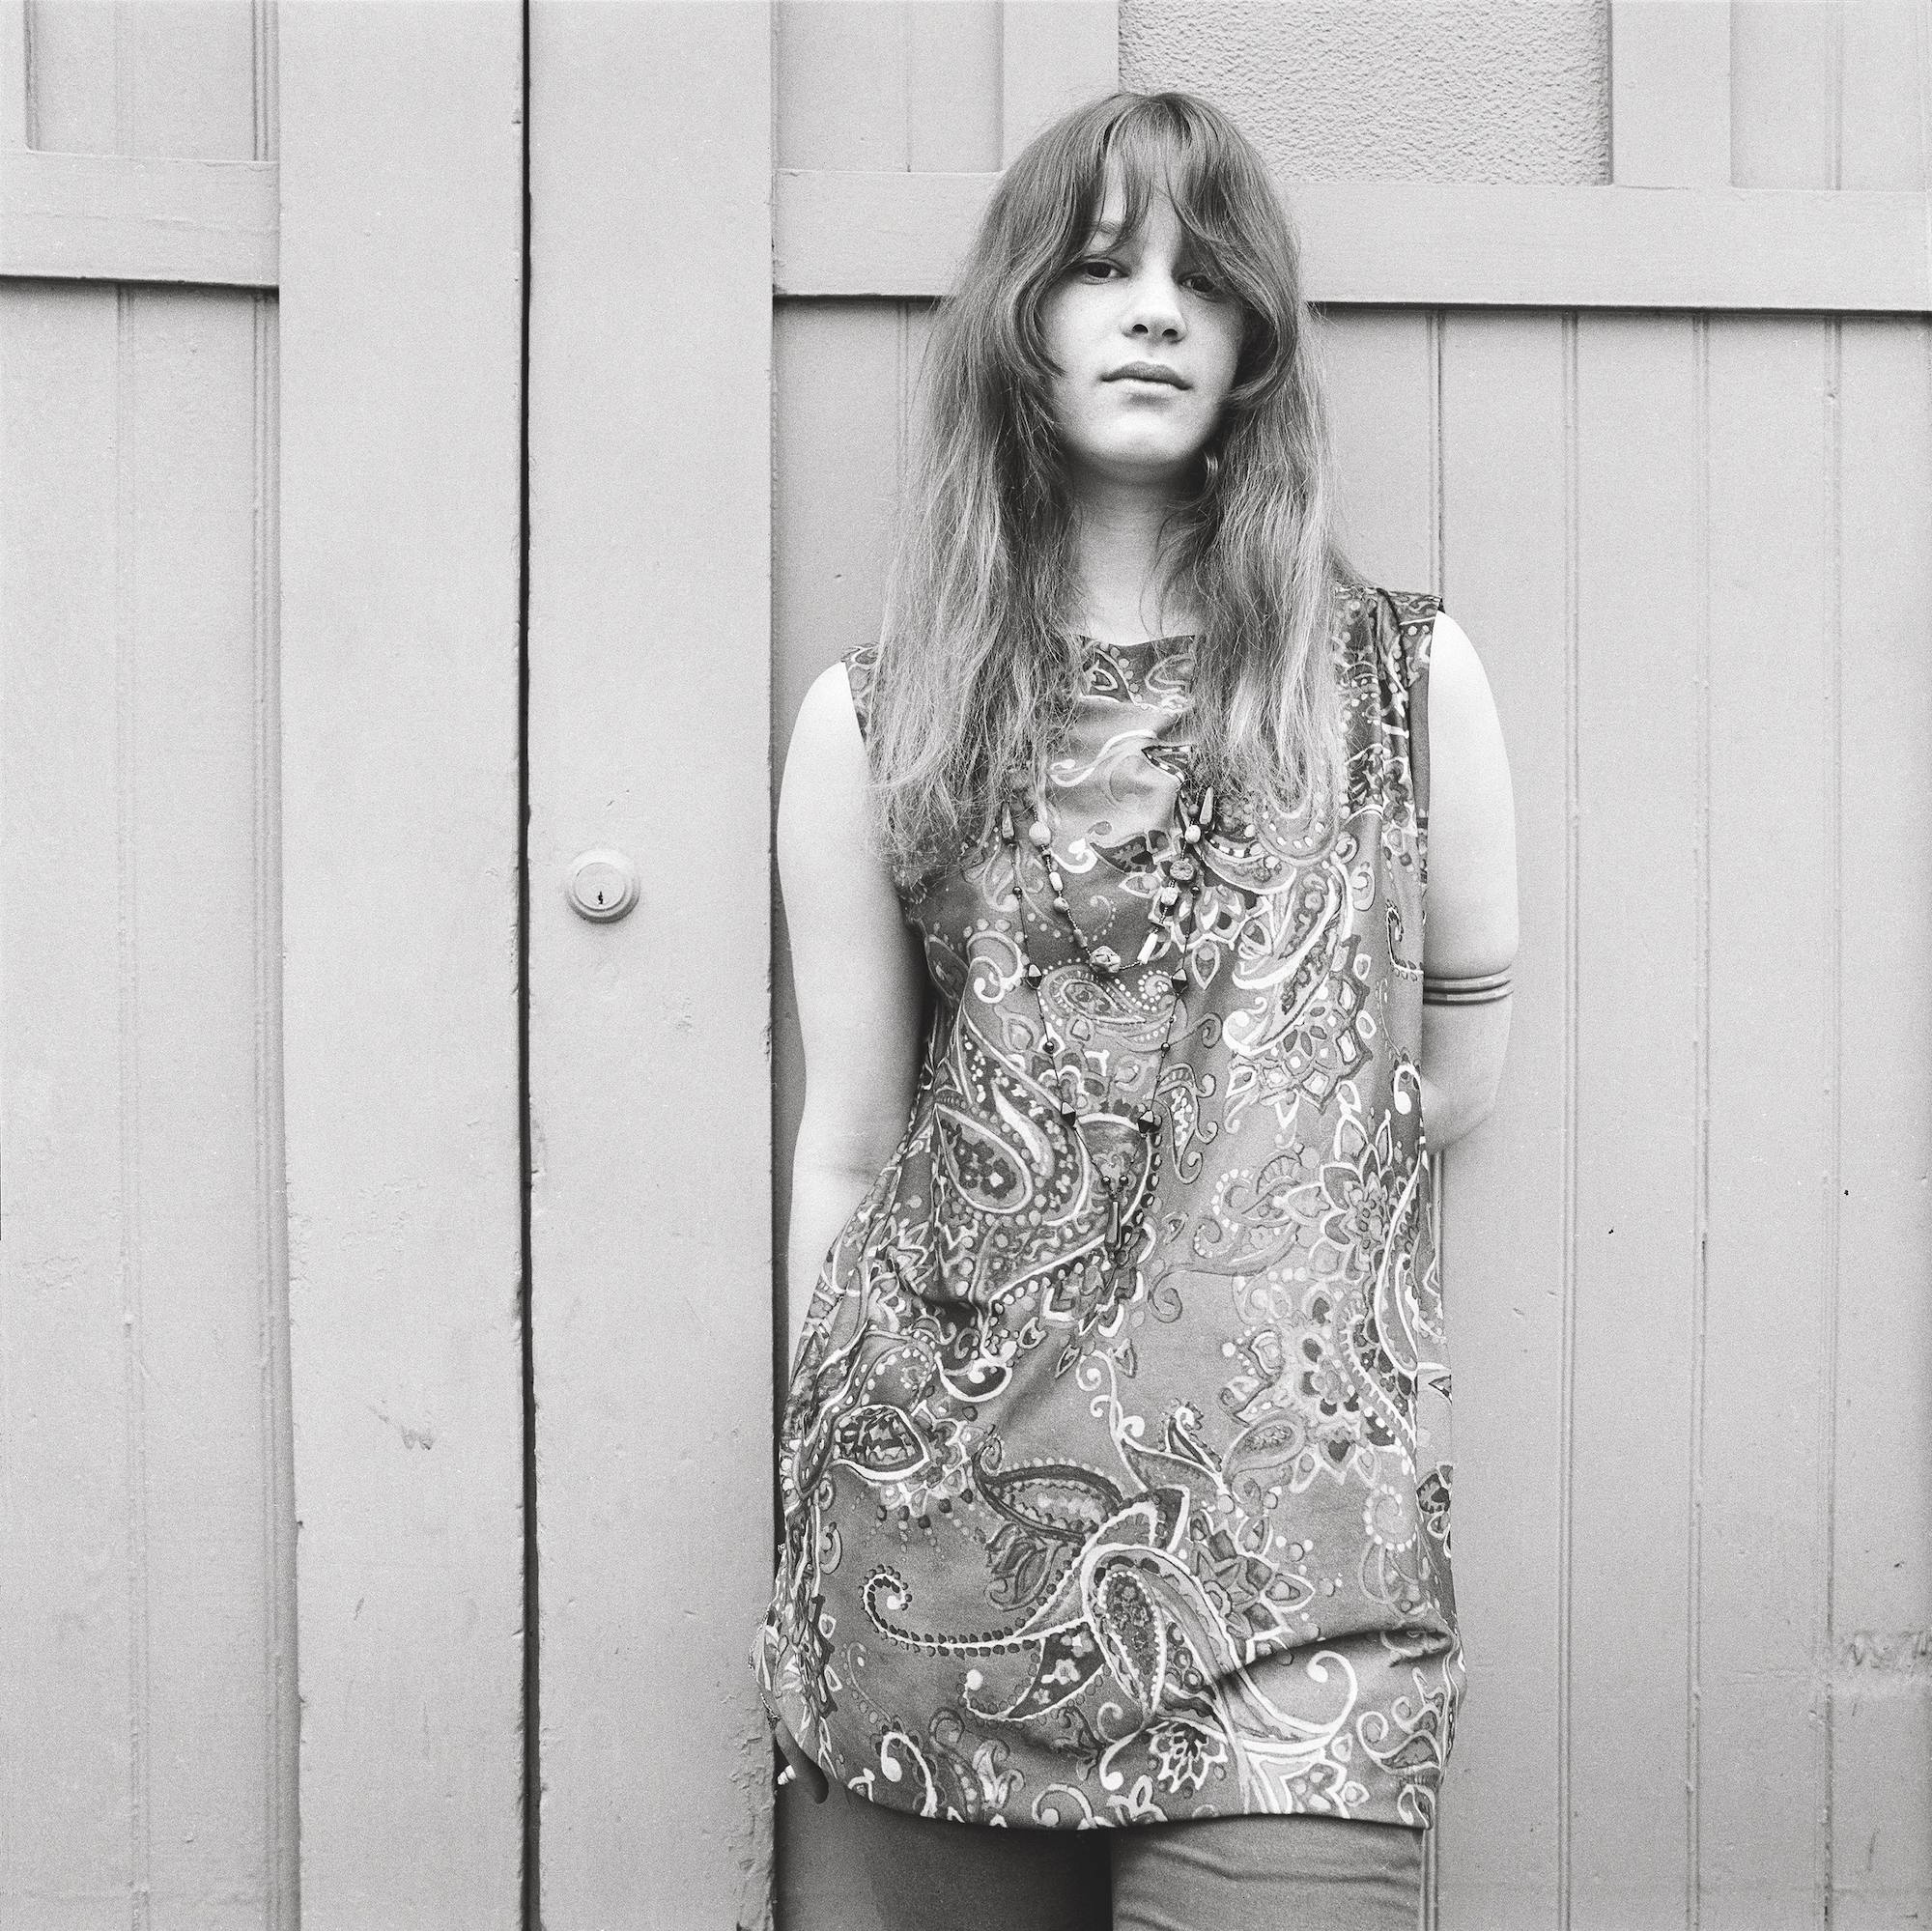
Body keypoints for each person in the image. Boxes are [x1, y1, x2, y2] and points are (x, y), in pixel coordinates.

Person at [753, 89, 1518, 1931]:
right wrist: (815, 1518)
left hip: (1296, 1598)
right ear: (1022, 319)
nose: (1155, 308)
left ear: (1258, 337)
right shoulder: (878, 719)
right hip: (928, 1572)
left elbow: (1448, 1076)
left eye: (1200, 275)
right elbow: (854, 1145)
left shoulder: (1407, 688)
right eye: (1102, 268)